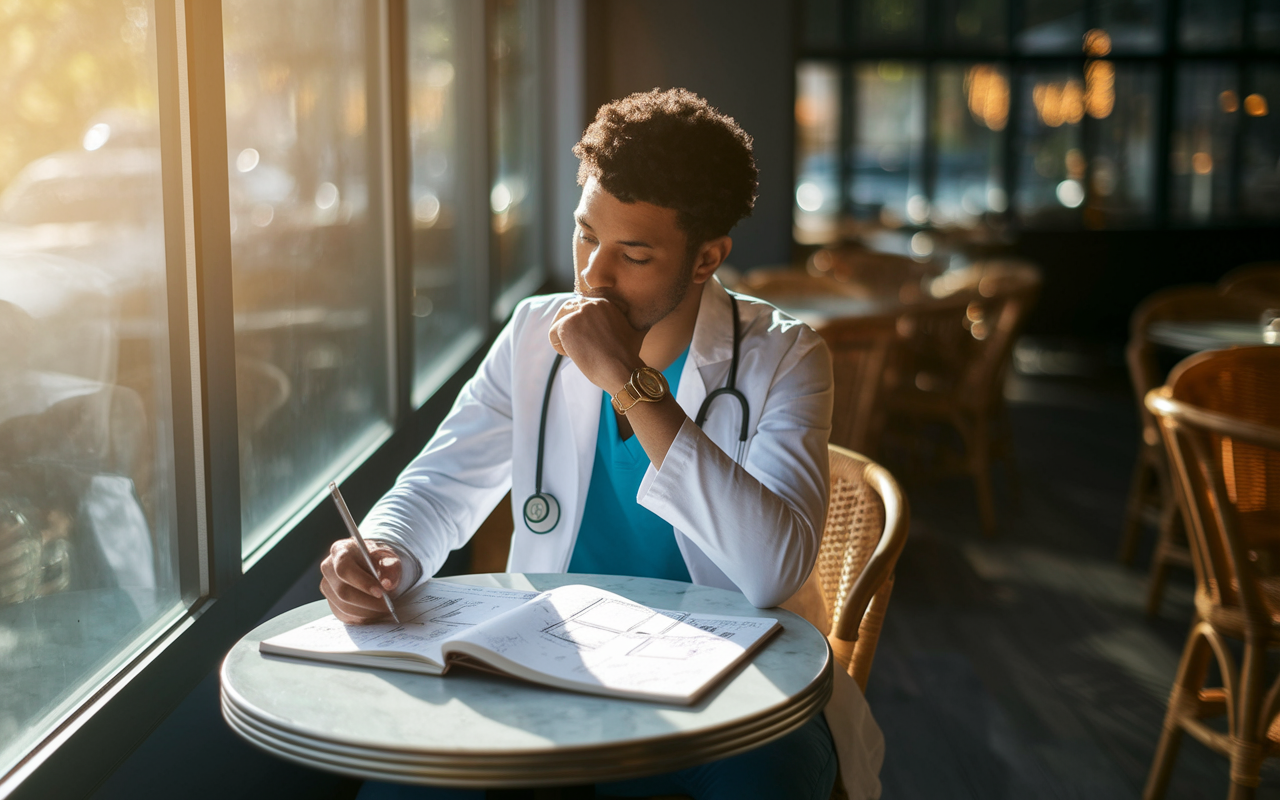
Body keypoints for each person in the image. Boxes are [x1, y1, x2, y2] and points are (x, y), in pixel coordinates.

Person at [320, 88, 883, 800]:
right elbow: (439, 484)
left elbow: (770, 572)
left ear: (707, 257)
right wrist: (386, 548)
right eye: (586, 235)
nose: (592, 275)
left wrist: (629, 380)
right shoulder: (533, 334)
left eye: (633, 254)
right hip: (553, 665)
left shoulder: (785, 357)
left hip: (729, 683)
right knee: (405, 790)